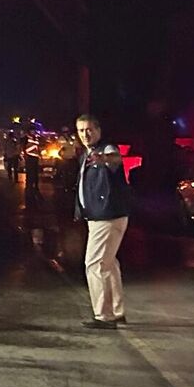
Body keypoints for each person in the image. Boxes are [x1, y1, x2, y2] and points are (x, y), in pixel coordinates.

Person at [75, 113, 131, 328]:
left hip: (107, 216)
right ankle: (117, 311)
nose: (85, 134)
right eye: (81, 130)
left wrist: (105, 160)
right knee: (109, 264)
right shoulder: (86, 154)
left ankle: (103, 316)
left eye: (89, 129)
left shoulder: (105, 149)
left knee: (95, 264)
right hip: (98, 216)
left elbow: (115, 159)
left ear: (98, 130)